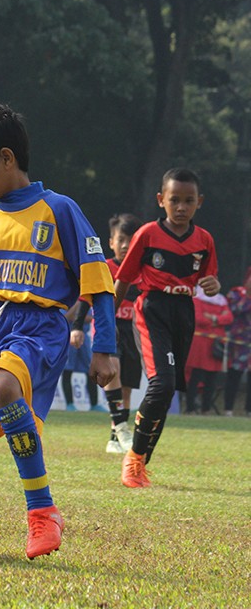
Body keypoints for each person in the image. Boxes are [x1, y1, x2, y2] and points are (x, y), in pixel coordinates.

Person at [0, 103, 117, 562]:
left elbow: (99, 282)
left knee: (5, 387)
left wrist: (105, 347)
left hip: (37, 328)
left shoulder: (60, 210)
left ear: (6, 158)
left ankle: (42, 511)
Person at [113, 167, 220, 488]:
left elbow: (208, 280)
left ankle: (141, 463)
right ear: (161, 200)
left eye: (189, 200)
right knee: (161, 384)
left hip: (184, 312)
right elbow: (124, 278)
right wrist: (108, 319)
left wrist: (212, 284)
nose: (181, 207)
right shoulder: (147, 234)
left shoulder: (204, 240)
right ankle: (133, 459)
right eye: (175, 200)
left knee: (168, 388)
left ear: (199, 202)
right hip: (152, 308)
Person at [101, 213, 142, 454]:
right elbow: (87, 298)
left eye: (132, 239)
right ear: (111, 242)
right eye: (121, 239)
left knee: (126, 387)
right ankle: (123, 427)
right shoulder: (106, 267)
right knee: (112, 372)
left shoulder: (141, 270)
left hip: (133, 331)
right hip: (110, 326)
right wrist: (76, 327)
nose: (126, 245)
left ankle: (115, 437)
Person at [184, 286, 232, 414]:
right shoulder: (196, 298)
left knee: (211, 379)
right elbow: (199, 318)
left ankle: (206, 409)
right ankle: (190, 408)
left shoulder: (221, 300)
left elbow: (229, 318)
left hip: (216, 345)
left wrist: (212, 318)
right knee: (195, 378)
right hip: (200, 345)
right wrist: (218, 319)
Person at [61, 301, 101, 411]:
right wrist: (78, 305)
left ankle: (94, 405)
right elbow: (66, 317)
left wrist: (80, 315)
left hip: (84, 339)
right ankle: (69, 404)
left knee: (90, 370)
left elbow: (91, 318)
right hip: (69, 337)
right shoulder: (67, 299)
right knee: (67, 370)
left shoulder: (86, 299)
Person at [222, 267, 251, 416]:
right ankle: (228, 409)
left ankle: (249, 410)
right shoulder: (236, 293)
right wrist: (248, 297)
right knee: (234, 376)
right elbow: (233, 310)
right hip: (239, 343)